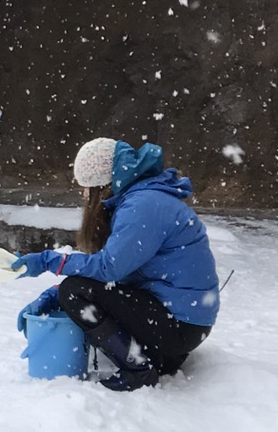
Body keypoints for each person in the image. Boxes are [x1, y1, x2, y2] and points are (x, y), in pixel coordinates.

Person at [12, 138, 220, 391]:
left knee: (74, 291)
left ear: (103, 183)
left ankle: (138, 369)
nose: (84, 194)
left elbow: (110, 268)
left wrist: (48, 261)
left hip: (180, 324)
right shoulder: (143, 198)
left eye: (86, 187)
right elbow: (122, 272)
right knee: (70, 290)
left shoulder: (143, 205)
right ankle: (156, 358)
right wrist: (54, 296)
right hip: (182, 320)